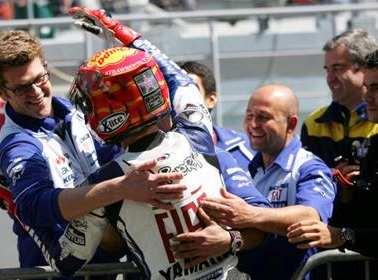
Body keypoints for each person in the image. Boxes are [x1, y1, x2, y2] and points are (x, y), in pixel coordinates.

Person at [27, 6, 271, 279]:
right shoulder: (199, 136)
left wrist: (18, 210)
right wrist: (127, 37)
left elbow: (66, 261)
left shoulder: (103, 185)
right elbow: (182, 82)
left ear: (108, 114)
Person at [0, 29, 187, 274]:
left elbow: (115, 156)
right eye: (22, 88)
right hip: (59, 271)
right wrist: (120, 188)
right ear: (1, 91)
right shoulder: (18, 145)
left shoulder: (75, 110)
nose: (37, 92)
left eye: (40, 78)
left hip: (106, 262)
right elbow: (36, 207)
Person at [193, 84, 337, 280]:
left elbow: (310, 217)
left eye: (263, 117)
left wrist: (250, 214)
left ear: (291, 124)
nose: (252, 124)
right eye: (249, 115)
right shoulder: (249, 170)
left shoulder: (309, 167)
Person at [287, 49, 378, 279]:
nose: (367, 96)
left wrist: (342, 236)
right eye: (367, 86)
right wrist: (346, 197)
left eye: (376, 88)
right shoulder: (375, 146)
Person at [301, 29, 378, 169]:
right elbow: (305, 180)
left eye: (337, 68)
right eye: (327, 70)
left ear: (365, 68)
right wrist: (334, 178)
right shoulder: (314, 123)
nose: (330, 79)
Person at [177, 61, 254, 172]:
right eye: (173, 92)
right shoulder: (156, 153)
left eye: (190, 91)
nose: (180, 100)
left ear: (211, 100)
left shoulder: (247, 148)